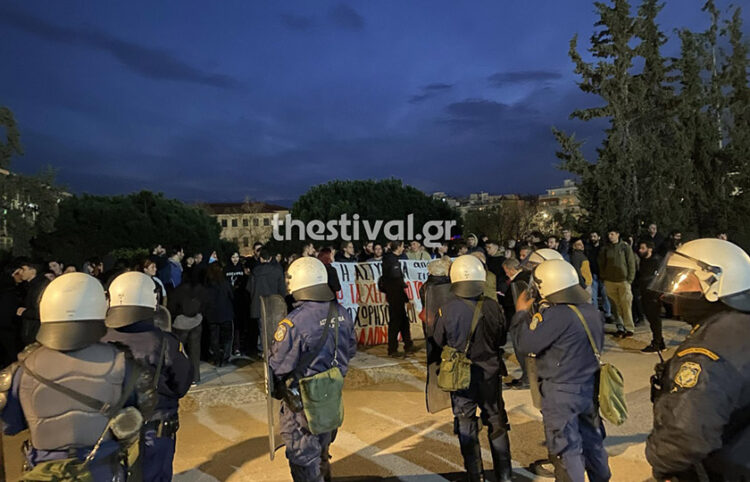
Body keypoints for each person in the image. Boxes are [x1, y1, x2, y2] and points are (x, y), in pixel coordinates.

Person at [1, 273, 155, 481]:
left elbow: (10, 426)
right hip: (103, 471)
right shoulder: (123, 363)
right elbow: (140, 414)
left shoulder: (21, 369)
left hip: (44, 473)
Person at [646, 238, 750, 480]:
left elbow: (683, 437)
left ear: (715, 284)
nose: (674, 289)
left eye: (683, 279)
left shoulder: (706, 351)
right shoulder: (741, 326)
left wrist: (662, 464)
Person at [512, 259, 610, 482]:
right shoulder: (592, 311)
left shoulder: (557, 316)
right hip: (588, 386)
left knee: (567, 448)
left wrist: (520, 314)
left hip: (561, 390)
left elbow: (527, 345)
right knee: (593, 440)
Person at [269, 257, 357, 481]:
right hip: (330, 397)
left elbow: (277, 367)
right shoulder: (342, 312)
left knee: (303, 460)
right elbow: (351, 349)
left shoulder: (295, 322)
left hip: (302, 405)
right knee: (323, 453)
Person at [102, 271, 193, 481]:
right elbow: (181, 385)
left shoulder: (96, 340)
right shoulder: (165, 342)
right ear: (150, 298)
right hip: (154, 430)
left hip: (108, 430)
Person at [433, 255, 512, 482]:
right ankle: (504, 476)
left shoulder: (446, 309)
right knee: (497, 423)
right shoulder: (493, 306)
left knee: (466, 424)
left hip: (461, 376)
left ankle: (474, 475)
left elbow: (438, 340)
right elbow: (501, 338)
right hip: (490, 373)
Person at [169, 267, 209, 384]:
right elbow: (206, 304)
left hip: (181, 323)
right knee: (195, 351)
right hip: (196, 321)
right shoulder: (201, 289)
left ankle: (179, 376)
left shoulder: (178, 290)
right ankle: (195, 377)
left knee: (178, 351)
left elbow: (172, 307)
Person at [247, 248, 287, 355]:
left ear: (261, 259)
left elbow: (249, 289)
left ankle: (265, 352)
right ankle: (275, 351)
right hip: (275, 305)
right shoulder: (277, 271)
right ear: (270, 258)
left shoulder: (255, 272)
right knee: (275, 328)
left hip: (259, 304)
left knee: (263, 329)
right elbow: (282, 290)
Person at [598, 228, 636, 337]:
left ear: (617, 235)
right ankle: (620, 326)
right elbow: (601, 263)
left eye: (612, 234)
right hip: (610, 281)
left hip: (623, 280)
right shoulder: (606, 248)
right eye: (609, 234)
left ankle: (629, 327)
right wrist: (603, 276)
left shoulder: (625, 247)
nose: (610, 236)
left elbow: (631, 263)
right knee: (615, 305)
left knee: (626, 305)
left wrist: (629, 279)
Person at [381, 241, 415, 357]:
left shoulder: (388, 259)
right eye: (402, 246)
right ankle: (393, 349)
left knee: (403, 322)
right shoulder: (392, 260)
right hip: (396, 295)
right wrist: (405, 295)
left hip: (394, 295)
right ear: (399, 247)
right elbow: (396, 280)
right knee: (396, 323)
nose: (403, 248)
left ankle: (408, 344)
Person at [501, 257, 531, 389]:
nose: (506, 274)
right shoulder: (527, 277)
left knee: (521, 350)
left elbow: (512, 303)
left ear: (512, 269)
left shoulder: (518, 283)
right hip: (526, 319)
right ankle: (527, 377)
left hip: (518, 320)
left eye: (506, 271)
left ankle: (527, 379)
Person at [636, 241, 664, 352]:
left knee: (655, 319)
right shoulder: (644, 261)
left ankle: (657, 343)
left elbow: (661, 278)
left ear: (650, 249)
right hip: (645, 293)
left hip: (653, 294)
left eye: (643, 248)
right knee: (652, 319)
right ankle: (659, 342)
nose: (640, 250)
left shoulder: (656, 261)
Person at [15, 258, 50, 347]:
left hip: (35, 333)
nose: (21, 272)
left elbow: (41, 312)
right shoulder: (30, 286)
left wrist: (24, 312)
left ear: (33, 271)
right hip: (31, 331)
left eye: (24, 269)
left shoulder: (41, 286)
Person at [205, 262, 234, 366]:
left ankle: (216, 358)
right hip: (225, 313)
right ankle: (225, 358)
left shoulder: (207, 285)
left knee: (214, 337)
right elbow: (232, 296)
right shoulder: (225, 283)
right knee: (227, 337)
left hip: (212, 315)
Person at [587, 232, 613, 320]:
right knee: (593, 296)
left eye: (594, 236)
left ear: (599, 237)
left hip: (603, 274)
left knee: (605, 295)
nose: (593, 238)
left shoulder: (603, 248)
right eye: (591, 236)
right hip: (593, 274)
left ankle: (608, 313)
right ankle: (596, 314)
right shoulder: (589, 249)